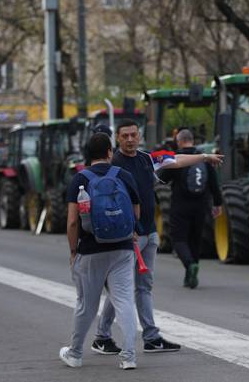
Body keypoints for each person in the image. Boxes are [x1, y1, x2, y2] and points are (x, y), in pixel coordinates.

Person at [93, 119, 222, 355]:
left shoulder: (147, 159)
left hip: (150, 233)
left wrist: (204, 158)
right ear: (118, 139)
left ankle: (151, 337)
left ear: (139, 136)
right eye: (125, 136)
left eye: (134, 135)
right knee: (120, 288)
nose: (130, 139)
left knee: (144, 287)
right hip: (126, 236)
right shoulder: (113, 164)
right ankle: (102, 336)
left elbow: (177, 159)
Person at [59, 133, 141, 370]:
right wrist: (130, 230)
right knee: (125, 301)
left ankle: (74, 354)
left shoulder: (79, 179)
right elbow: (136, 211)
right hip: (123, 249)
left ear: (88, 154)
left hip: (91, 250)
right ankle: (128, 358)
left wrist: (74, 251)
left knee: (86, 304)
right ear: (109, 152)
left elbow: (73, 222)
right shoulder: (124, 176)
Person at [157, 129, 222, 289]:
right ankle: (191, 275)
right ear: (193, 140)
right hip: (201, 205)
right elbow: (214, 184)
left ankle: (189, 265)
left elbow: (163, 180)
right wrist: (218, 204)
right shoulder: (205, 157)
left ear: (179, 141)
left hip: (180, 205)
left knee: (178, 239)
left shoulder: (177, 159)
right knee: (195, 239)